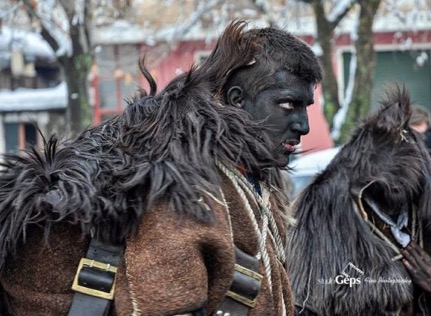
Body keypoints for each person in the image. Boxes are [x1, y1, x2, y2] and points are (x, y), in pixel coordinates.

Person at [0, 20, 322, 315]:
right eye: (288, 105)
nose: (304, 125)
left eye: (307, 107)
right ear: (237, 99)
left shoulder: (248, 179)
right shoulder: (177, 180)